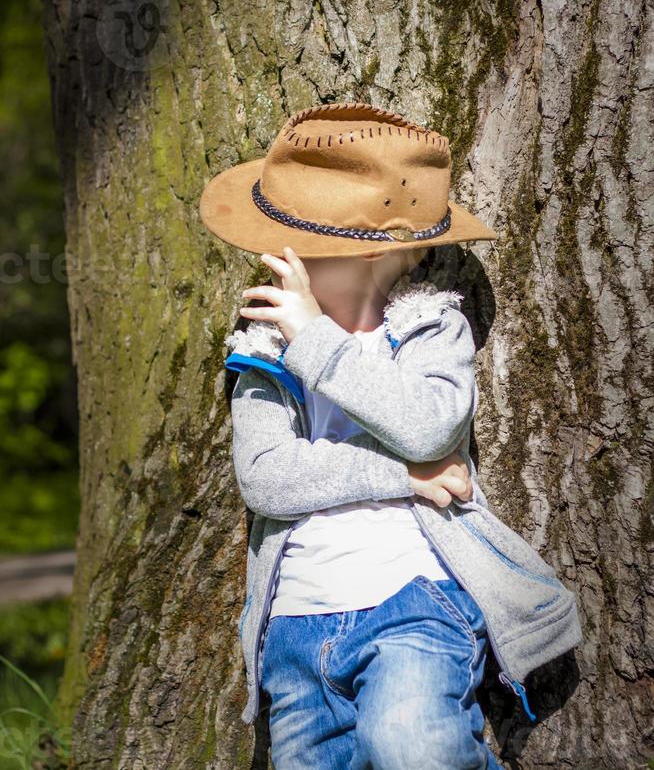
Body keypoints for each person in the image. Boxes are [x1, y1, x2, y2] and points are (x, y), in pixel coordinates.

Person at [200, 102, 583, 769]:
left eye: (286, 242)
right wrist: (405, 477)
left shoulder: (428, 329)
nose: (266, 257)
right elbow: (266, 476)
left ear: (368, 252)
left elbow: (428, 427)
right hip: (294, 628)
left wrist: (317, 342)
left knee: (413, 749)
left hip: (413, 606)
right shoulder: (261, 347)